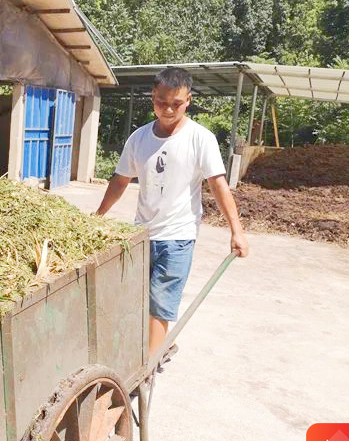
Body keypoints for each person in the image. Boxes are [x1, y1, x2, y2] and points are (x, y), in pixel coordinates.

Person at [96, 67, 248, 360]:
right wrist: (99, 214)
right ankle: (156, 347)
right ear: (152, 97)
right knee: (134, 299)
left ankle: (146, 369)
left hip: (178, 236)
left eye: (175, 103)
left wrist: (236, 230)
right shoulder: (139, 139)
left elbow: (217, 184)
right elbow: (120, 180)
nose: (167, 109)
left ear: (188, 100)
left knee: (159, 303)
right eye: (160, 101)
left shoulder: (200, 138)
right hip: (140, 234)